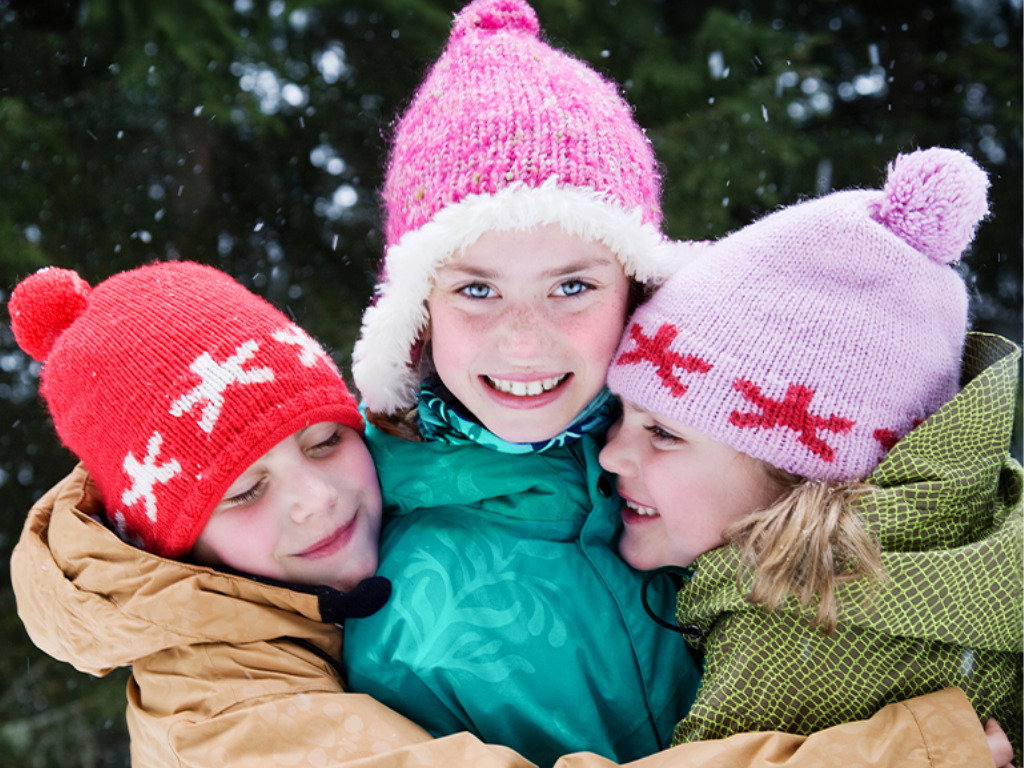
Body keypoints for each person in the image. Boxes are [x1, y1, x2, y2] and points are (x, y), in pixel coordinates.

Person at [8, 263, 1008, 768]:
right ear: (159, 530)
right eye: (241, 490)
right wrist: (905, 753)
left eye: (322, 442)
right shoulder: (218, 717)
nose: (313, 496)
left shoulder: (430, 498)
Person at [341, 0, 702, 763]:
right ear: (419, 312)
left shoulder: (737, 448)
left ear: (636, 287)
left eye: (571, 288)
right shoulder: (370, 553)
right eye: (478, 290)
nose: (525, 339)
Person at [599, 146, 1023, 763]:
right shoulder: (962, 553)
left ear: (800, 474)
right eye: (621, 416)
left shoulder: (799, 641)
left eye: (662, 432)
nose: (611, 455)